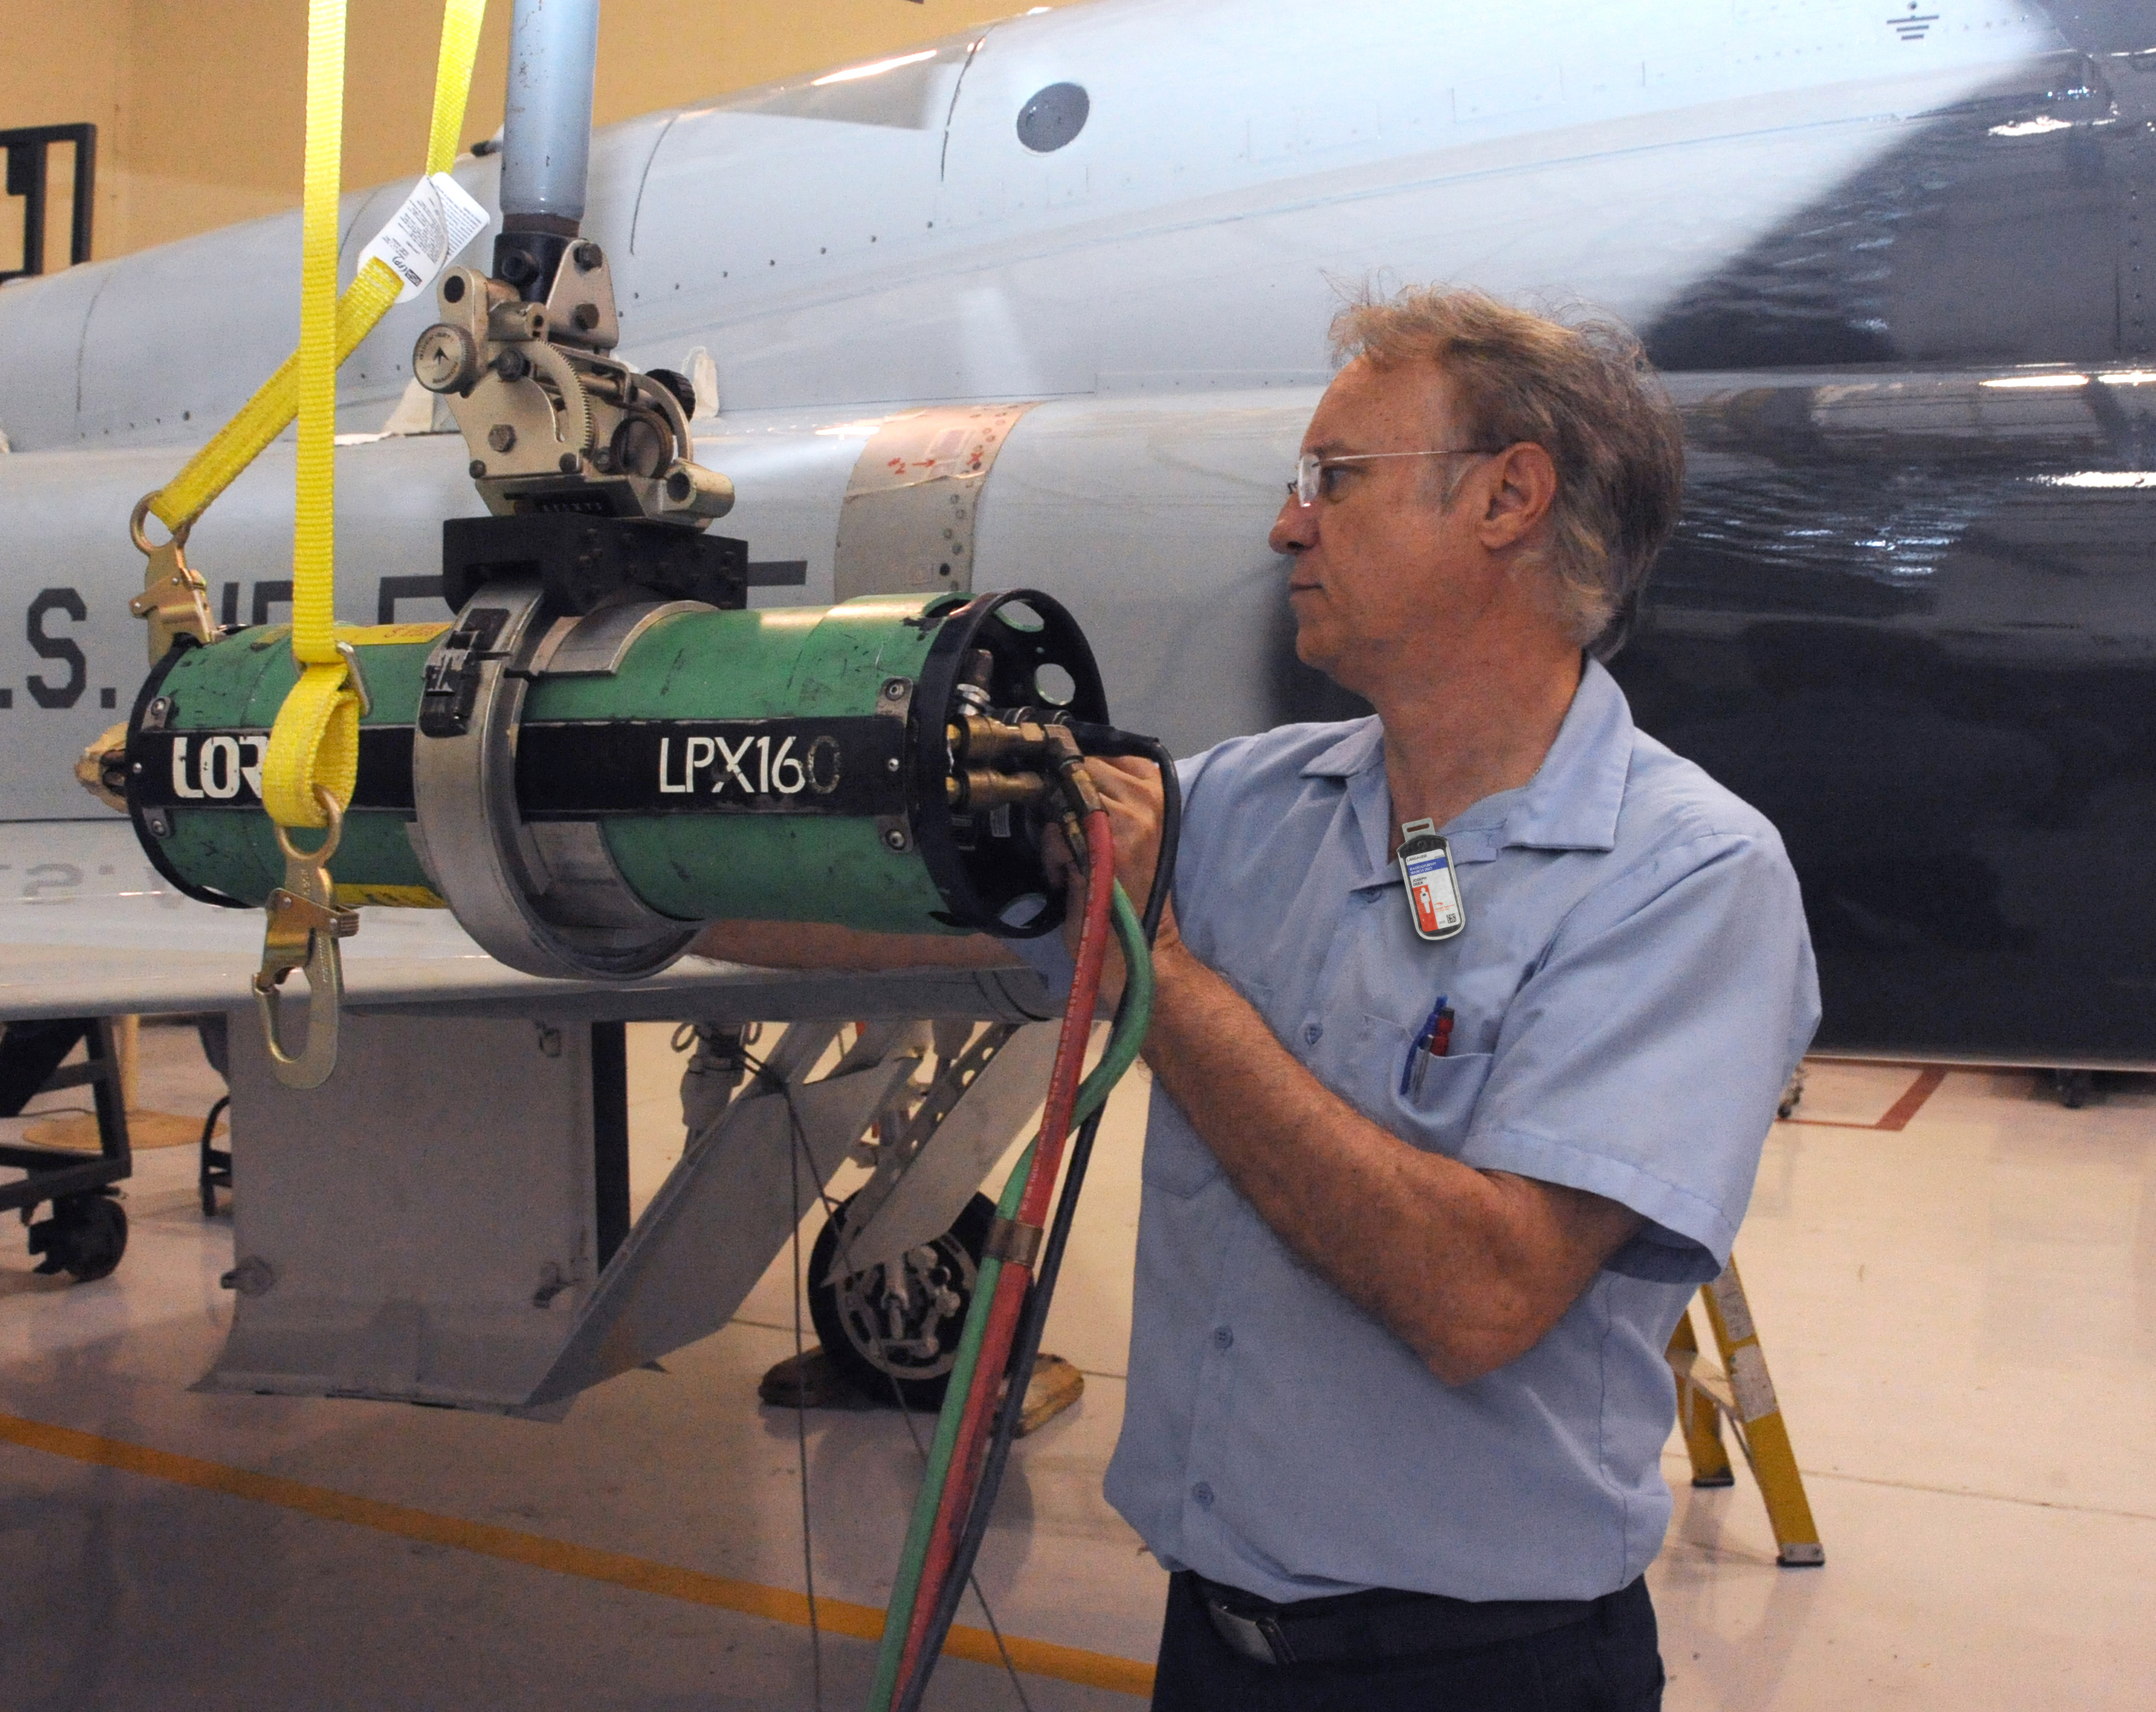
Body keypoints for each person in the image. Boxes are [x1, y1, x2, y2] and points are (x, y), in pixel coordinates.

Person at [698, 286, 1819, 1711]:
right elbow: (890, 918)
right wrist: (599, 866)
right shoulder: (1254, 801)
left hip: (1480, 1671)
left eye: (1334, 481)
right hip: (1213, 1646)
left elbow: (1477, 1297)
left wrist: (1152, 974)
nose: (1289, 526)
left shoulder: (1685, 878)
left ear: (1507, 500)